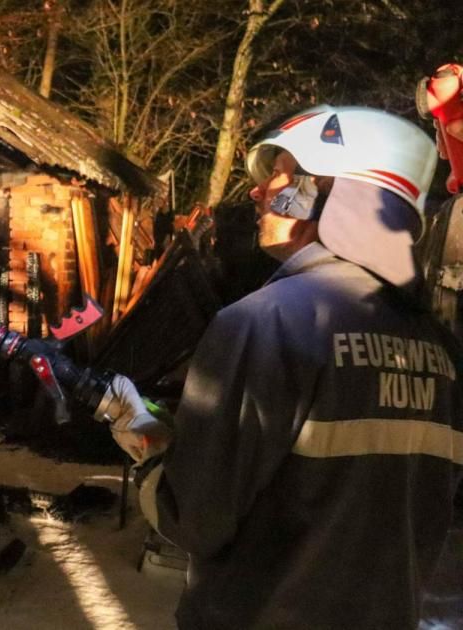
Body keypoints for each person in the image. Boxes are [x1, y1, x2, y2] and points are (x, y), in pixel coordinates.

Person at [107, 105, 462, 629]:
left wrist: (147, 443)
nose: (257, 191)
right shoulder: (440, 348)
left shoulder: (265, 322)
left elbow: (194, 520)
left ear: (332, 192)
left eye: (281, 173)